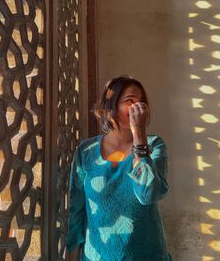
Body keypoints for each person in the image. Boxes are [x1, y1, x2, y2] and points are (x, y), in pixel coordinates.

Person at [67, 75, 172, 261]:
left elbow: (148, 194)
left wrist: (139, 134)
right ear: (110, 107)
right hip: (98, 255)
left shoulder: (154, 145)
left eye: (141, 102)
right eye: (130, 101)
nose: (138, 107)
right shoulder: (86, 152)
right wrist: (72, 254)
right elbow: (76, 210)